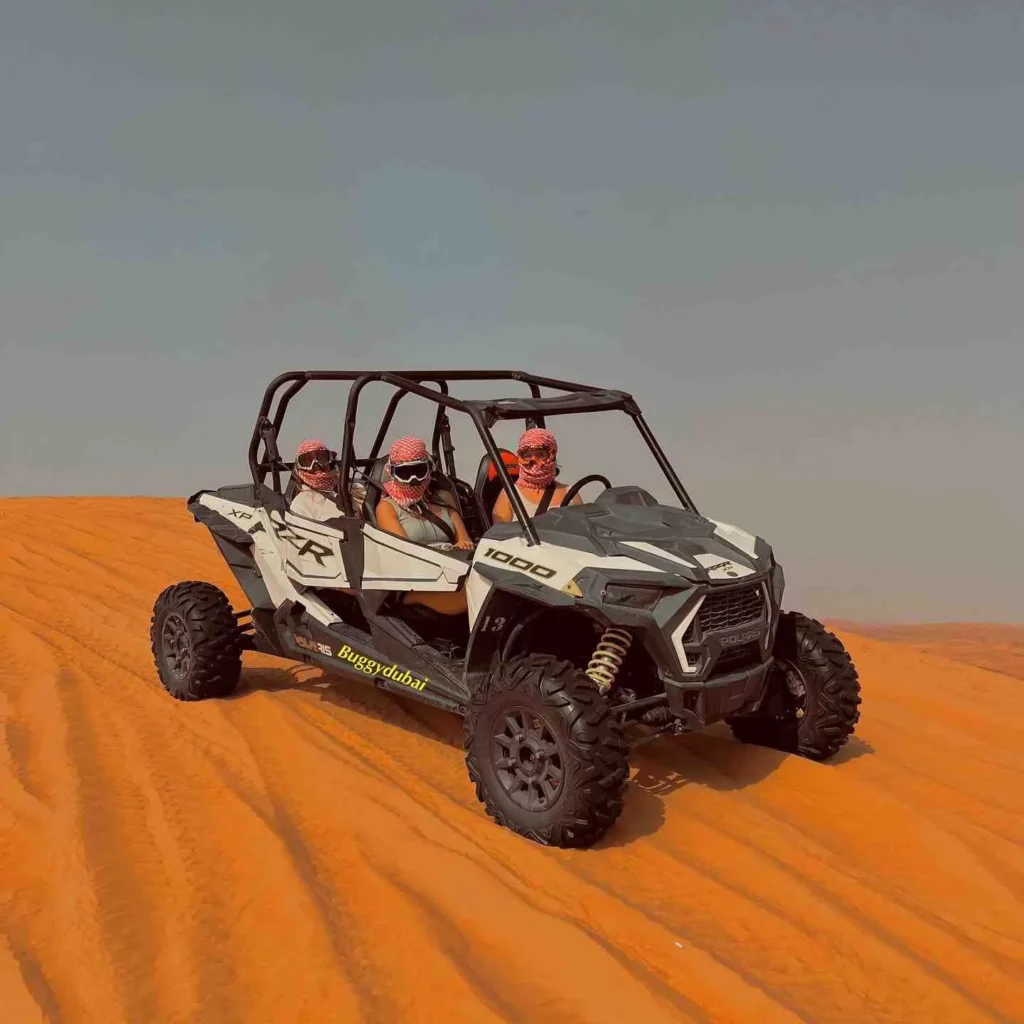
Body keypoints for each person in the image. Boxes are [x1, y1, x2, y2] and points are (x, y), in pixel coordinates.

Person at [375, 436, 473, 615]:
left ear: (428, 470)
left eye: (418, 471)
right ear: (392, 473)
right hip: (417, 582)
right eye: (405, 473)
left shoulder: (444, 498)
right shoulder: (387, 508)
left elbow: (465, 541)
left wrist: (462, 546)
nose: (413, 479)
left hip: (454, 571)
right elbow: (405, 553)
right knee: (471, 597)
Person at [491, 427, 581, 523]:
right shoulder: (510, 495)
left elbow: (583, 530)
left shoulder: (570, 493)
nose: (533, 460)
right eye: (527, 455)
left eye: (541, 455)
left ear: (552, 455)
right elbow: (500, 535)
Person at [289, 438, 341, 522]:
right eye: (307, 461)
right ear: (300, 468)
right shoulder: (301, 504)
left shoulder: (353, 489)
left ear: (330, 461)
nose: (316, 465)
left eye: (321, 458)